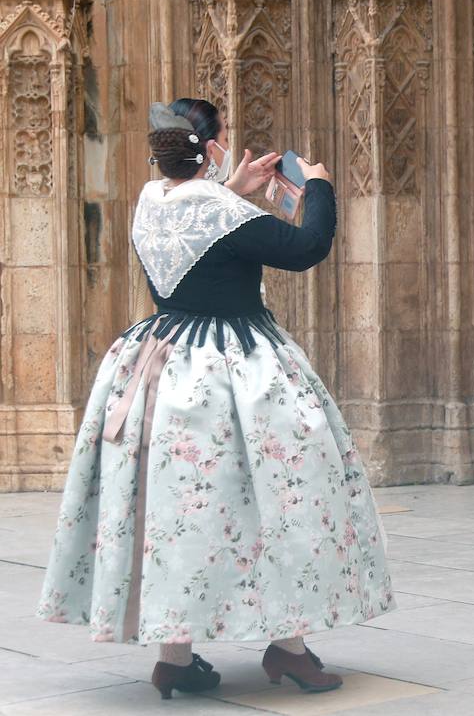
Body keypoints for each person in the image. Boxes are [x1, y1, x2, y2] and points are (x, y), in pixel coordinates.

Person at [36, 99, 394, 697]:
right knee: (280, 497)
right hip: (237, 370)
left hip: (160, 364)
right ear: (211, 146)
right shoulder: (228, 213)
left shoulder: (153, 200)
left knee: (176, 512)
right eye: (225, 136)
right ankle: (290, 649)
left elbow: (198, 229)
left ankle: (174, 658)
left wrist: (234, 186)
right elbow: (307, 248)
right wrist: (321, 188)